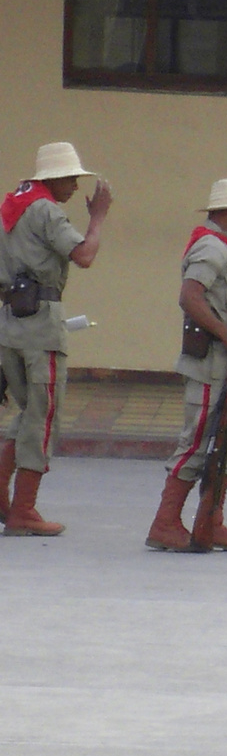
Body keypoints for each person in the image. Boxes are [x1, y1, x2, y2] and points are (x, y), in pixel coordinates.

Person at [0, 142, 112, 536]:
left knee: (27, 410)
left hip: (11, 320)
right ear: (55, 178)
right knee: (43, 414)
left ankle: (4, 492)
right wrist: (97, 218)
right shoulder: (46, 210)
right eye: (71, 179)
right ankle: (24, 510)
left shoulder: (12, 206)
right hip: (40, 324)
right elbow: (84, 255)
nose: (73, 187)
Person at [145, 179, 227, 552]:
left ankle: (211, 522)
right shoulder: (211, 248)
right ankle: (165, 523)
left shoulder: (226, 249)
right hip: (212, 362)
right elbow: (190, 297)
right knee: (197, 442)